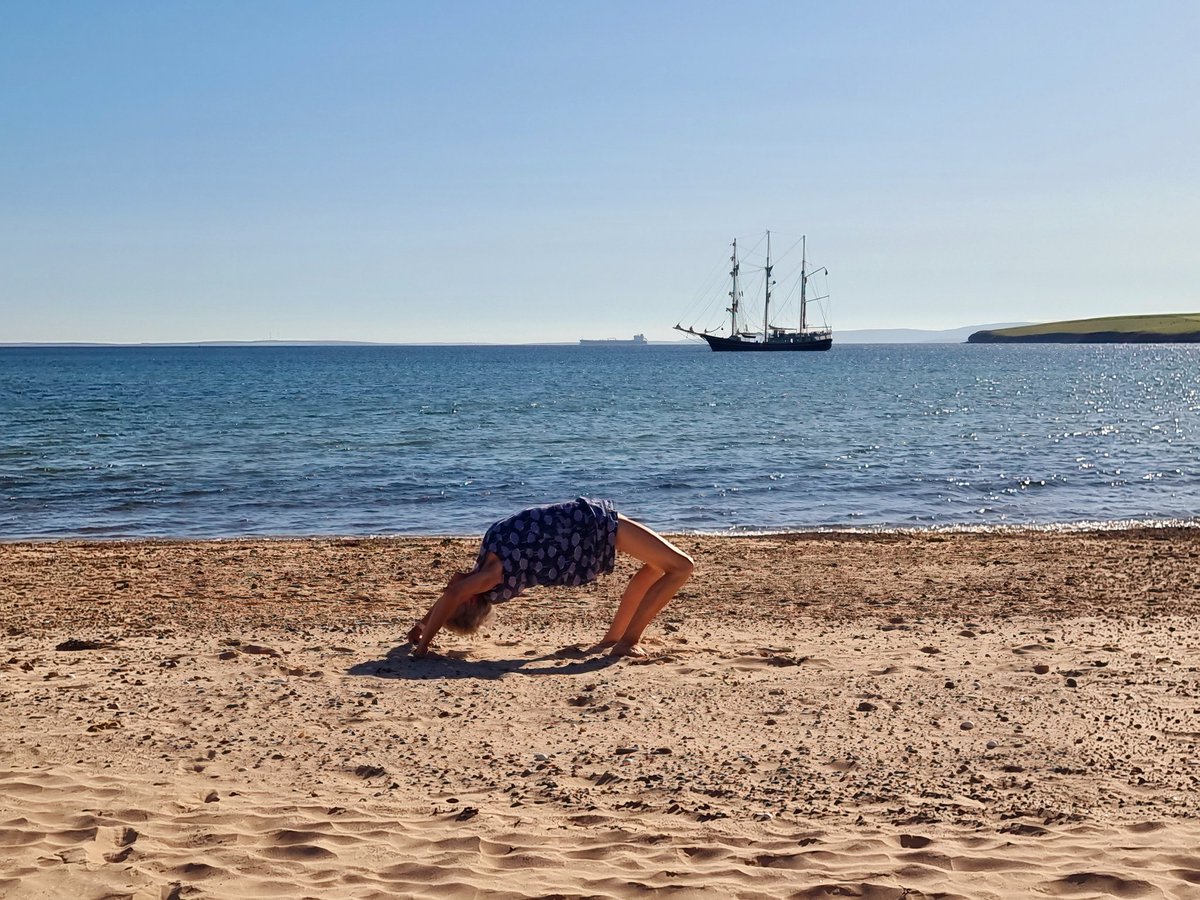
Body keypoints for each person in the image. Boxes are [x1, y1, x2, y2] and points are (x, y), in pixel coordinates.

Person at [407, 498, 693, 659]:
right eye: (452, 591)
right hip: (593, 528)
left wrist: (422, 624)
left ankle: (615, 638)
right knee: (681, 567)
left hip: (589, 518)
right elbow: (451, 596)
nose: (447, 586)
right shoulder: (490, 578)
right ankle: (628, 641)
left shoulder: (484, 564)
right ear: (469, 599)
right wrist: (423, 648)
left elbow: (450, 598)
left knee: (656, 567)